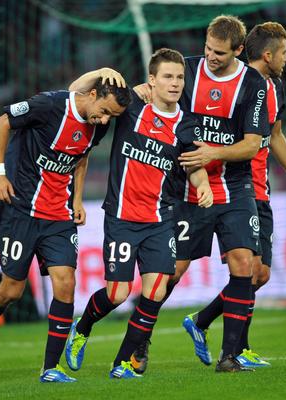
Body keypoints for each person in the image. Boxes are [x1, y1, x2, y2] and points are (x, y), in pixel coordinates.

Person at [0, 69, 131, 383]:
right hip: (20, 210)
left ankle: (51, 368)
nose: (105, 120)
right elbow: (1, 123)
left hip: (59, 215)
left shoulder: (97, 125)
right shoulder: (49, 105)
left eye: (112, 116)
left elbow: (81, 157)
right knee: (11, 290)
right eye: (105, 111)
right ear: (93, 94)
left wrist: (77, 199)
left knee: (66, 283)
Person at [64, 48, 213, 379]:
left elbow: (194, 166)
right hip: (122, 217)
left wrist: (203, 185)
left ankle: (121, 363)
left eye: (179, 77)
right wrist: (101, 71)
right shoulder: (131, 107)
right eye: (167, 76)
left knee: (155, 292)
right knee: (117, 293)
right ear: (152, 80)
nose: (175, 83)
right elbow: (75, 93)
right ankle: (82, 328)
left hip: (160, 220)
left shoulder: (187, 124)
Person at [134, 15, 271, 373]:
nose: (211, 56)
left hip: (235, 187)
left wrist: (213, 153)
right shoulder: (187, 72)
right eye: (208, 48)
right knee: (170, 272)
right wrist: (139, 90)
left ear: (238, 50)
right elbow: (152, 92)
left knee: (245, 265)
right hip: (187, 190)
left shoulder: (253, 83)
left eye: (220, 53)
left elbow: (252, 145)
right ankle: (139, 343)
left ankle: (230, 355)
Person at [180, 21, 286, 370]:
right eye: (283, 52)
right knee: (247, 269)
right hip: (236, 186)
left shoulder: (274, 87)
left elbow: (275, 136)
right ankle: (237, 347)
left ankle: (206, 324)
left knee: (259, 273)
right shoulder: (239, 85)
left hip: (259, 187)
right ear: (267, 54)